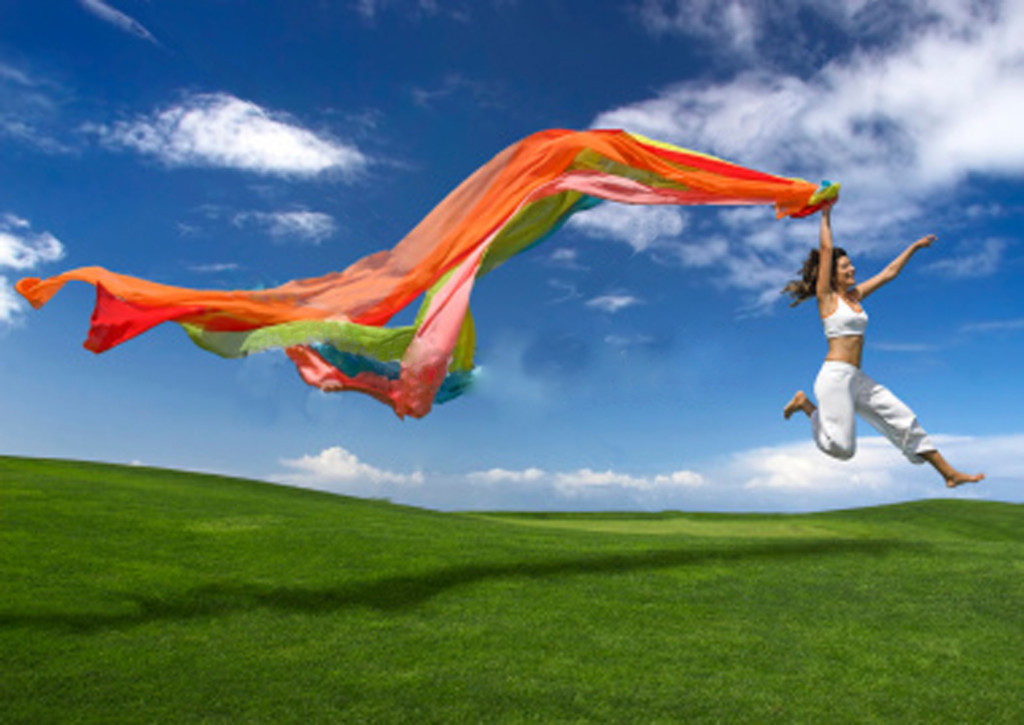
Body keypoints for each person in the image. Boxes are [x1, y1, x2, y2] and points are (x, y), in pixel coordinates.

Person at [781, 203, 983, 489]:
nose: (852, 268)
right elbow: (826, 250)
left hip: (857, 378)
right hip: (835, 378)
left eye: (850, 264)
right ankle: (806, 407)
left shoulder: (855, 297)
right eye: (845, 266)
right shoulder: (826, 297)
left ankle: (948, 473)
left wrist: (914, 246)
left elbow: (889, 273)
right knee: (843, 449)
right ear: (832, 274)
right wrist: (825, 213)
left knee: (902, 417)